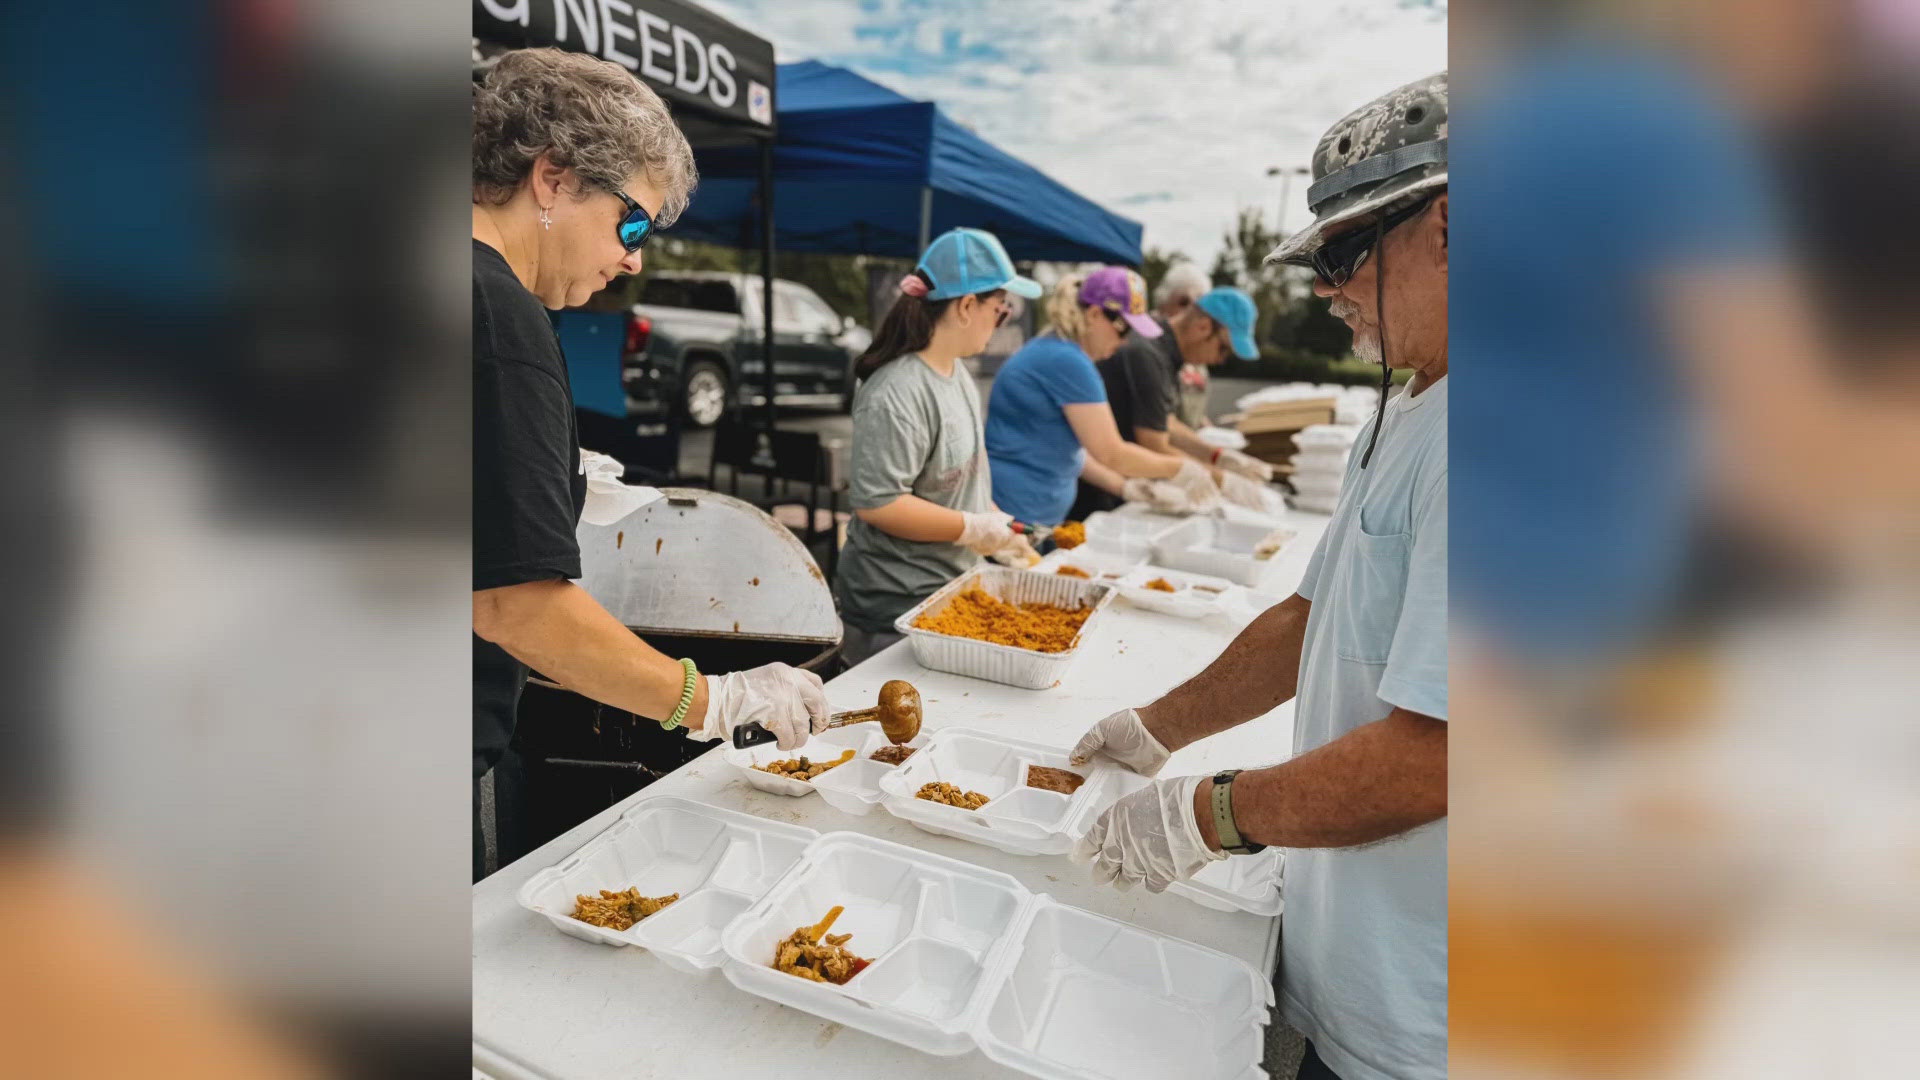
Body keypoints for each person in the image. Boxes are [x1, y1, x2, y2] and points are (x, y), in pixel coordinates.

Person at [1070, 74, 1449, 1080]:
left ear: (1454, 224)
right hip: (1356, 972)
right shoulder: (1411, 399)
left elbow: (1441, 758)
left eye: (1343, 253)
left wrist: (1215, 812)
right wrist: (1161, 726)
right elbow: (1310, 617)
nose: (1326, 289)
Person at [470, 49, 828, 878]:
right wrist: (715, 700)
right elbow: (518, 608)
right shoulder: (501, 318)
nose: (636, 258)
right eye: (633, 222)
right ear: (553, 177)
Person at [833, 228, 1044, 664]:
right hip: (892, 613)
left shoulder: (958, 374)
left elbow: (961, 480)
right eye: (1000, 311)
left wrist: (995, 522)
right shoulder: (896, 389)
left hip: (948, 592)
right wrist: (971, 528)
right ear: (967, 306)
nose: (999, 321)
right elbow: (879, 504)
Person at [984, 268, 1222, 528]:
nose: (1125, 343)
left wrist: (1124, 487)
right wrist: (1181, 469)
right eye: (1123, 330)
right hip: (1017, 512)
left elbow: (1068, 450)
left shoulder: (1055, 349)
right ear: (1095, 314)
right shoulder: (1068, 361)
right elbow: (1112, 453)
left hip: (1028, 513)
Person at [1068, 281, 1267, 520]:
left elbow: (1165, 421)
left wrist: (1218, 456)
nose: (1220, 361)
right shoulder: (1148, 354)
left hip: (1109, 477)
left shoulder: (1163, 348)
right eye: (1223, 349)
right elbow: (1154, 442)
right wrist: (1221, 480)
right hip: (1094, 486)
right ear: (1203, 327)